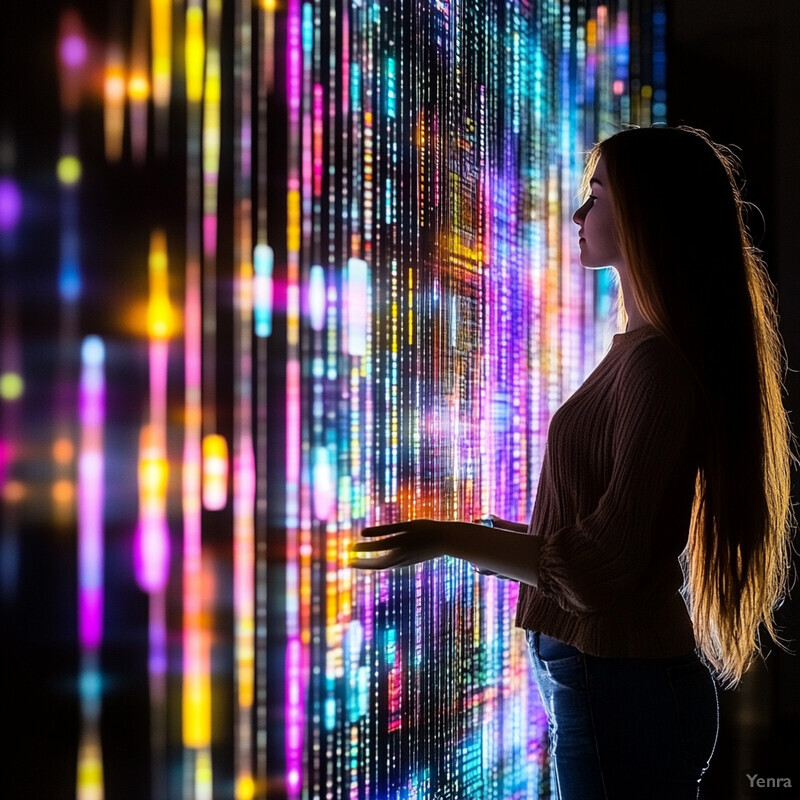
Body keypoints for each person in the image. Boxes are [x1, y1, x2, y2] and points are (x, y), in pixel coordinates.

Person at [348, 126, 795, 799]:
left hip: (620, 693)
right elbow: (602, 533)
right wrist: (492, 538)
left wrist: (445, 541)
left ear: (646, 212)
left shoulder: (658, 368)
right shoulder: (640, 352)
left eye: (597, 194)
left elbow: (601, 566)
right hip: (613, 688)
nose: (580, 215)